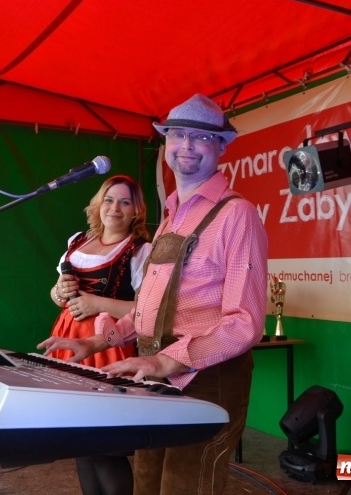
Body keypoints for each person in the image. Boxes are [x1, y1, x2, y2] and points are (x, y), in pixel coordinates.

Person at [39, 94, 268, 495]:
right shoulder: (172, 215)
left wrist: (167, 360)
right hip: (156, 375)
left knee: (184, 487)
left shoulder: (238, 215)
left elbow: (245, 323)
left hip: (205, 379)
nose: (187, 146)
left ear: (222, 146)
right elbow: (149, 308)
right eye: (178, 135)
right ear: (166, 144)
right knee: (145, 485)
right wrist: (96, 341)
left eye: (201, 137)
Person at [49, 174, 151, 495]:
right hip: (68, 341)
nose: (115, 208)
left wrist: (97, 303)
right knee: (80, 441)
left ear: (136, 210)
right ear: (98, 203)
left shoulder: (140, 250)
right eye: (109, 199)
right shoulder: (77, 241)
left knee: (105, 445)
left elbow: (147, 309)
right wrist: (59, 291)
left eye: (125, 202)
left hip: (108, 346)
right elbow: (56, 295)